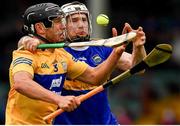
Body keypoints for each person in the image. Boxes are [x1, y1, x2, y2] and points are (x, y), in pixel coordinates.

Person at [17, 1, 146, 125]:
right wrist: (27, 39)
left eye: (84, 20)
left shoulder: (103, 46)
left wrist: (138, 46)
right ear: (63, 24)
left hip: (104, 122)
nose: (81, 25)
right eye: (74, 20)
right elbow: (25, 45)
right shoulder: (56, 50)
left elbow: (138, 68)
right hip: (65, 123)